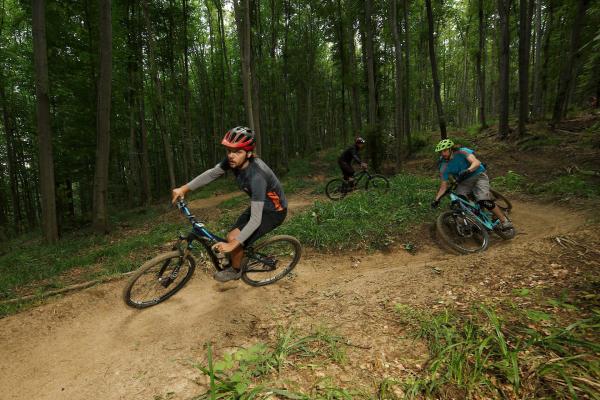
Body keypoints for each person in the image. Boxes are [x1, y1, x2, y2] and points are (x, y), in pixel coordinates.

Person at [171, 126, 288, 282]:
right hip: (260, 205)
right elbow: (212, 173)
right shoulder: (235, 161)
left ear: (249, 153)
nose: (231, 156)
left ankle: (235, 270)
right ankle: (238, 255)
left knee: (235, 240)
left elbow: (255, 220)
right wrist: (183, 189)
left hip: (274, 212)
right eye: (229, 151)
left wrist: (234, 245)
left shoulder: (257, 176)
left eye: (237, 152)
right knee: (231, 236)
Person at [431, 139, 513, 230]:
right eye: (440, 152)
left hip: (478, 175)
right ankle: (473, 221)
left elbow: (476, 163)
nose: (443, 154)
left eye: (445, 150)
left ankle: (504, 221)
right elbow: (443, 186)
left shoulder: (462, 152)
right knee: (460, 201)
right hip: (463, 182)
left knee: (483, 200)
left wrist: (468, 170)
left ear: (451, 149)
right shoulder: (443, 165)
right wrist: (436, 200)